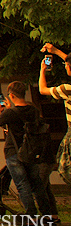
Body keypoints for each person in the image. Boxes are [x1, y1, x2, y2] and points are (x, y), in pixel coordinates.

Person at [0, 80, 53, 218]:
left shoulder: (10, 113)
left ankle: (31, 214)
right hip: (31, 151)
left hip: (14, 152)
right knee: (36, 183)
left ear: (11, 95)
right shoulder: (34, 110)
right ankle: (46, 214)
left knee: (22, 183)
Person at [39, 43, 71, 186]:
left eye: (66, 64)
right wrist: (56, 51)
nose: (65, 66)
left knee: (66, 168)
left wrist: (42, 71)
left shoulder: (67, 89)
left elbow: (43, 90)